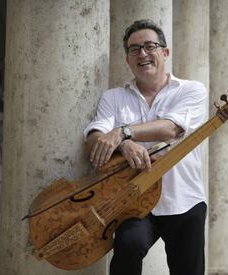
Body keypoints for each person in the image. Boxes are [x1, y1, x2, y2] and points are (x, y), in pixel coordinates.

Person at [83, 19, 208, 275]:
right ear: (127, 59)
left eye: (150, 46)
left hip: (184, 200)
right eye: (134, 49)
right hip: (134, 202)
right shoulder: (113, 97)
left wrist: (123, 132)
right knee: (128, 246)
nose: (142, 54)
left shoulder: (191, 90)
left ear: (165, 52)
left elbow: (171, 129)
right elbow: (95, 136)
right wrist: (123, 144)